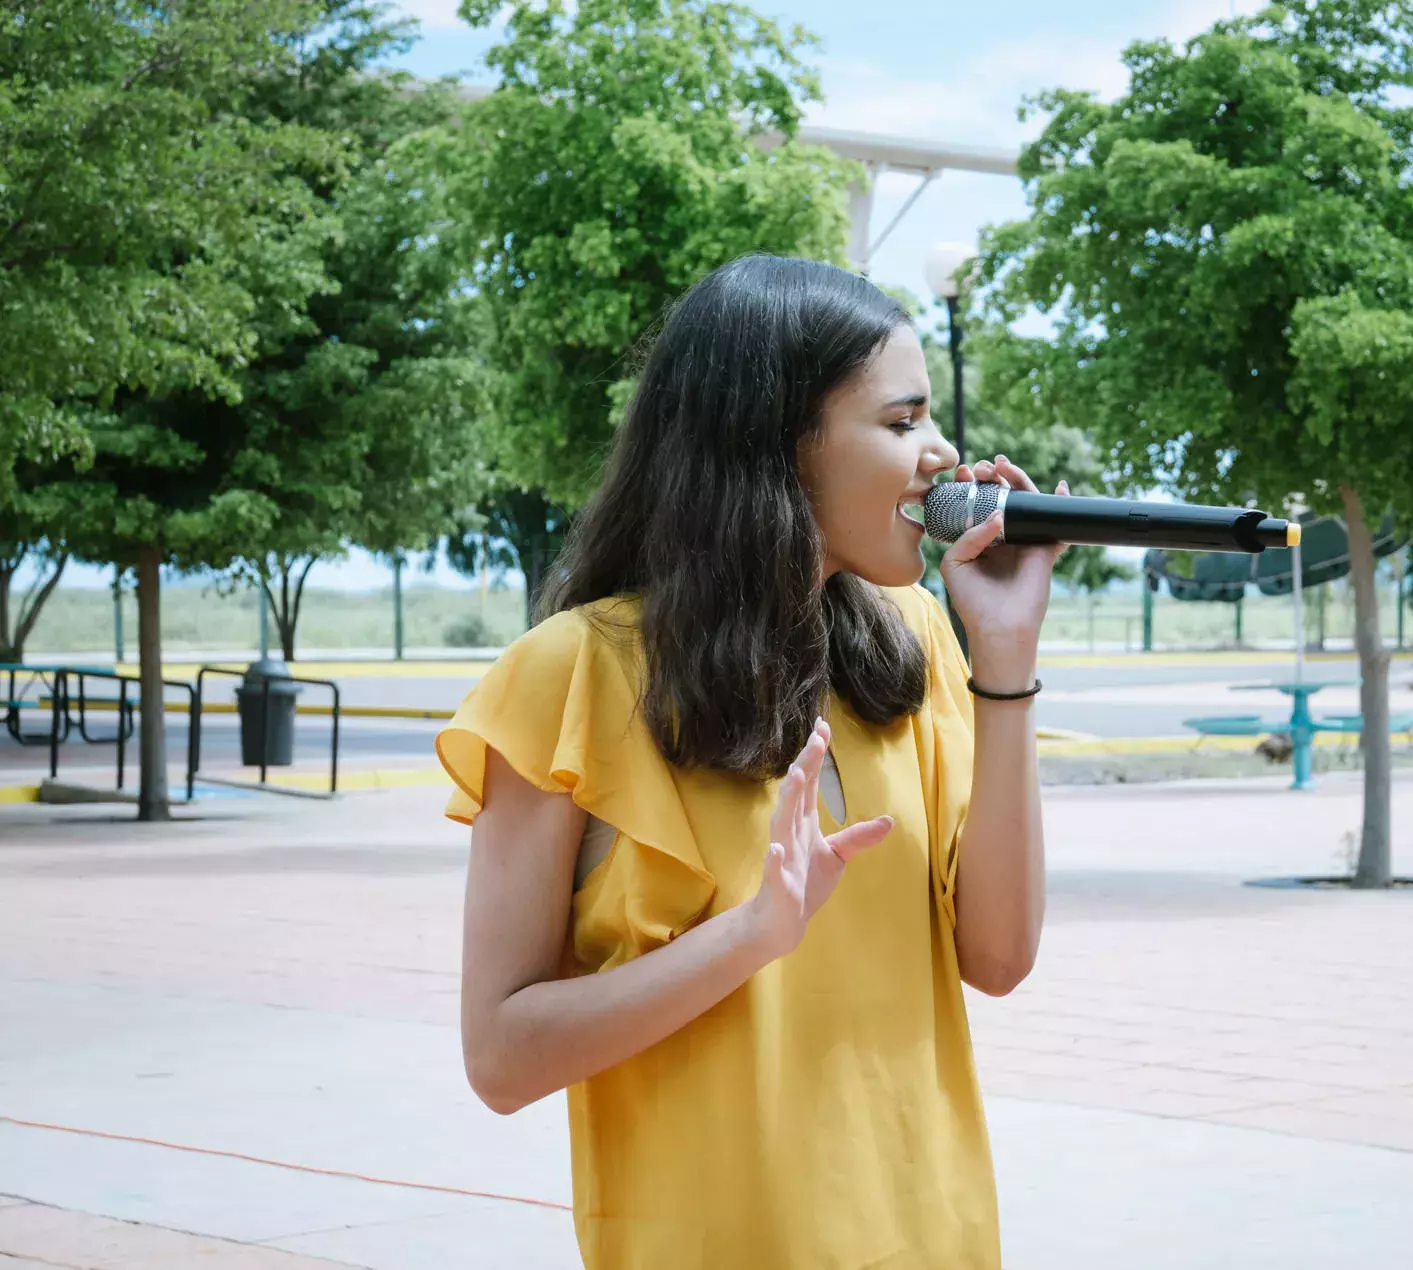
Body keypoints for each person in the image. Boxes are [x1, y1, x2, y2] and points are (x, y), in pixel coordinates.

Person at [437, 255, 1069, 1269]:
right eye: (901, 423)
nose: (941, 454)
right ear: (778, 443)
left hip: (930, 1238)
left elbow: (998, 958)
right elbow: (502, 1057)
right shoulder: (572, 673)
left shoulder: (912, 640)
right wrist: (749, 938)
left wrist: (1006, 662)